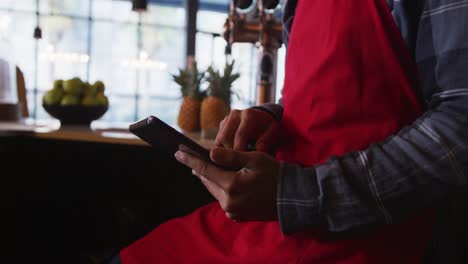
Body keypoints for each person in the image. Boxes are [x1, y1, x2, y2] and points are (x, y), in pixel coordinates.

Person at [114, 0, 468, 263]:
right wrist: (272, 116)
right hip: (270, 227)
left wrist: (299, 194)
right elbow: (309, 95)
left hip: (367, 239)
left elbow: (459, 123)